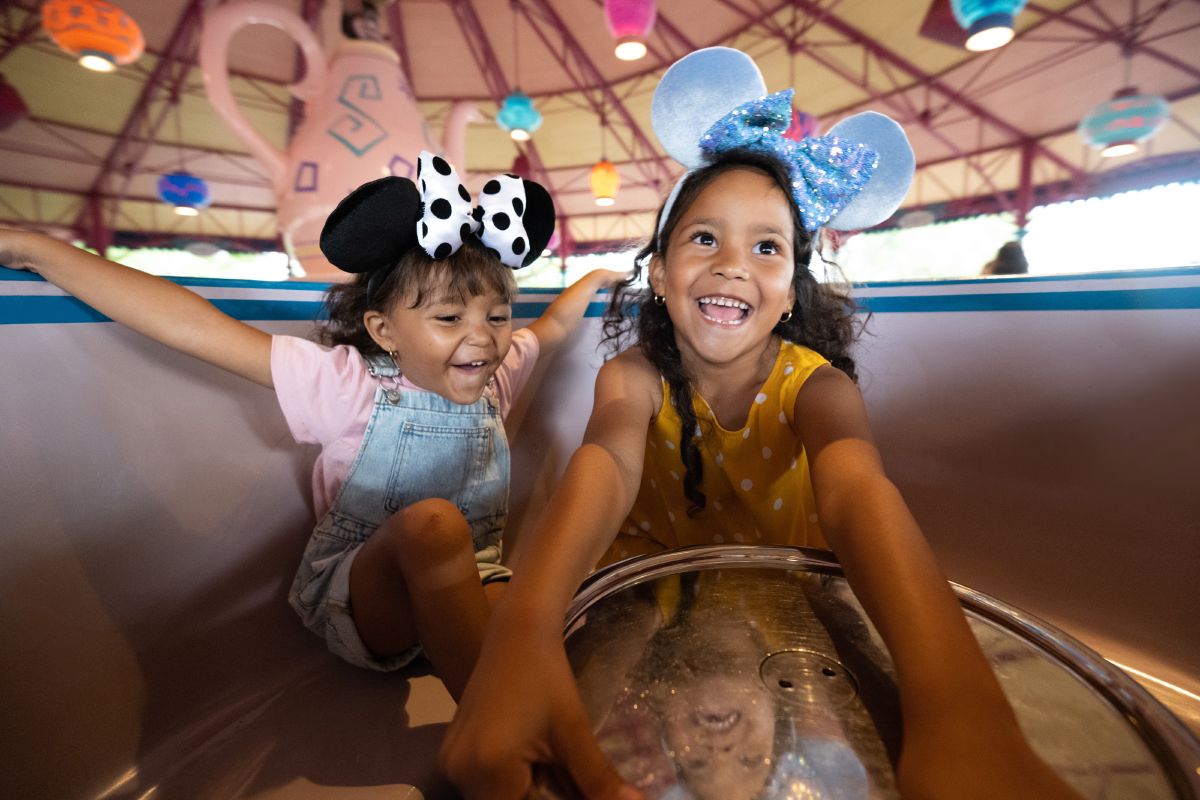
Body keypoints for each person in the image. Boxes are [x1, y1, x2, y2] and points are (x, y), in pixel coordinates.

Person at [440, 49, 1081, 799]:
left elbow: (855, 494)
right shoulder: (632, 379)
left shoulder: (819, 389)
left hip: (790, 600)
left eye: (767, 247)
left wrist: (965, 710)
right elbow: (605, 466)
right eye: (705, 238)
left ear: (788, 295)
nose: (734, 263)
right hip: (645, 595)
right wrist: (524, 633)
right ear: (660, 272)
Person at [0, 150, 621, 702]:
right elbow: (193, 327)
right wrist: (35, 249)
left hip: (472, 578)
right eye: (449, 317)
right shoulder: (346, 383)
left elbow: (556, 329)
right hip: (361, 597)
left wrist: (595, 279)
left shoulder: (498, 374)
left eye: (497, 315)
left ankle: (524, 722)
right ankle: (494, 736)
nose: (480, 338)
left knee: (547, 634)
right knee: (435, 526)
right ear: (384, 332)